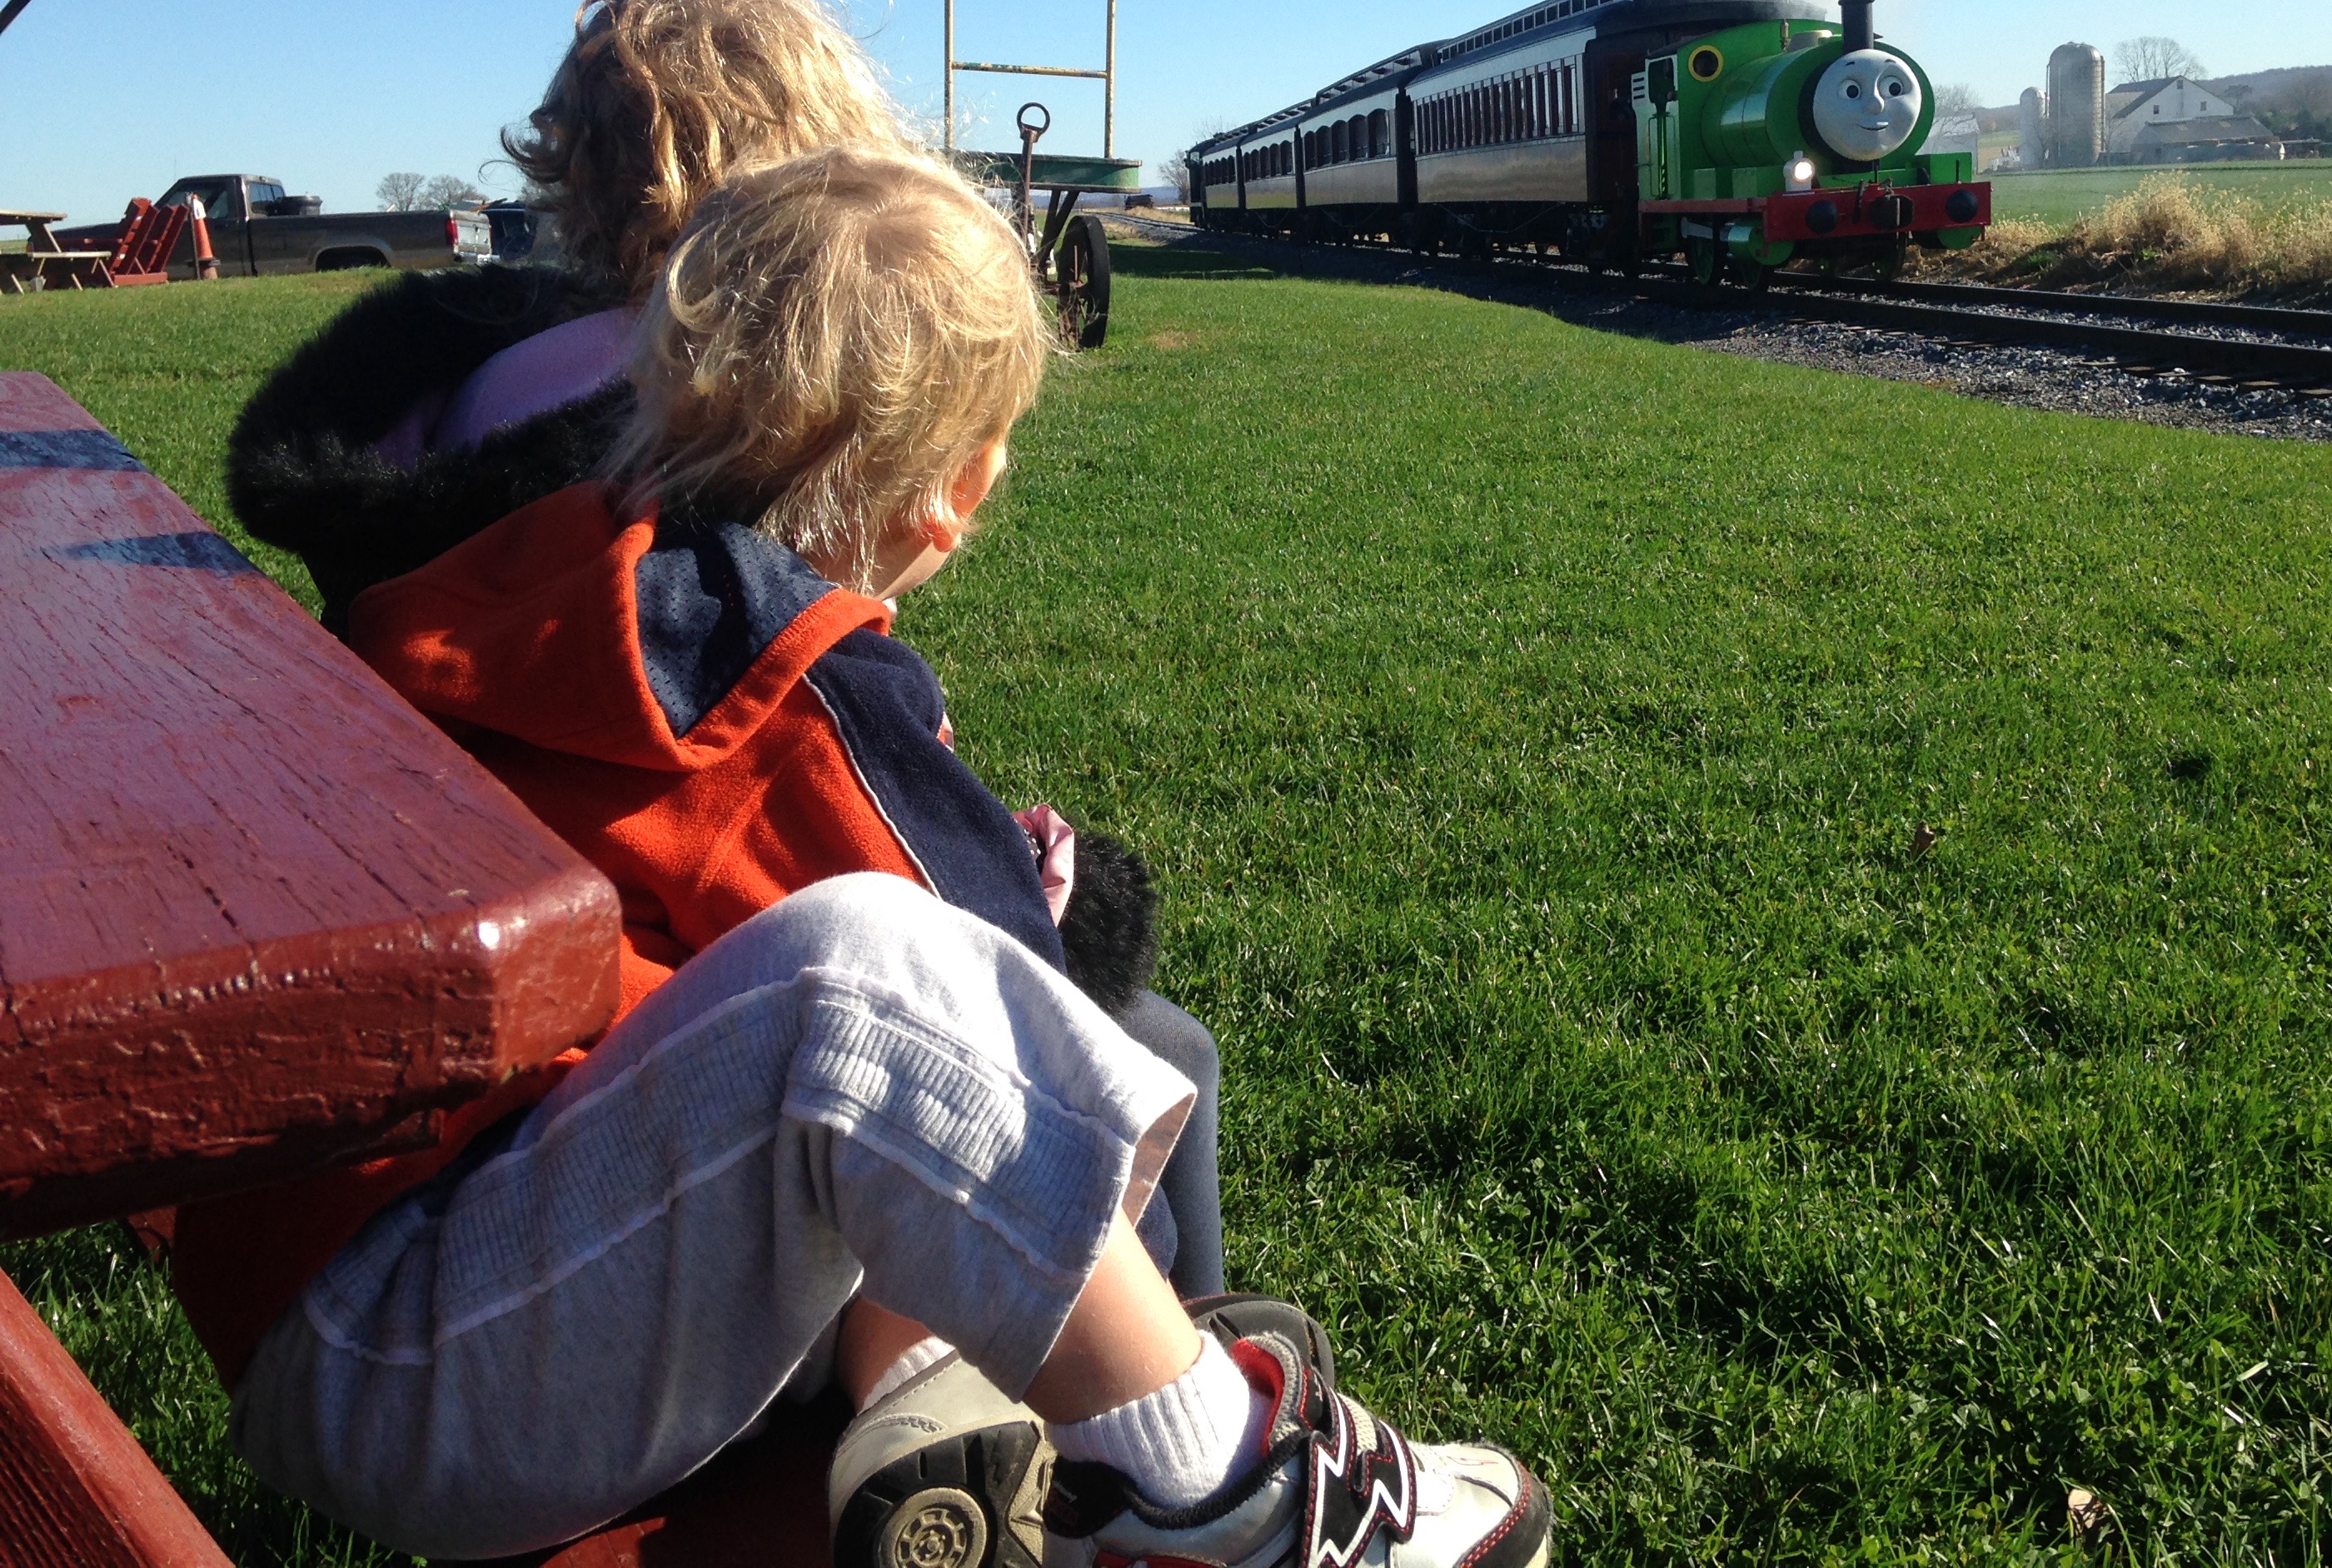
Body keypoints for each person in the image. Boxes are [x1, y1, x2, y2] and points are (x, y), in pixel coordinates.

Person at [195, 148, 1552, 1566]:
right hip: (437, 1364)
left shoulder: (533, 577)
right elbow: (997, 994)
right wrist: (1048, 900)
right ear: (953, 495)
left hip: (351, 1301)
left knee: (876, 1011)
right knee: (890, 982)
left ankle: (1023, 1427)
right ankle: (1211, 1487)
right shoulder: (770, 662)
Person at [217, 0, 1223, 1294]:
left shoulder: (452, 411)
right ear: (807, 176)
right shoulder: (695, 453)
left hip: (452, 1038)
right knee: (1157, 1047)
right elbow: (828, 848)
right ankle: (1177, 1408)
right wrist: (1064, 896)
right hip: (615, 1075)